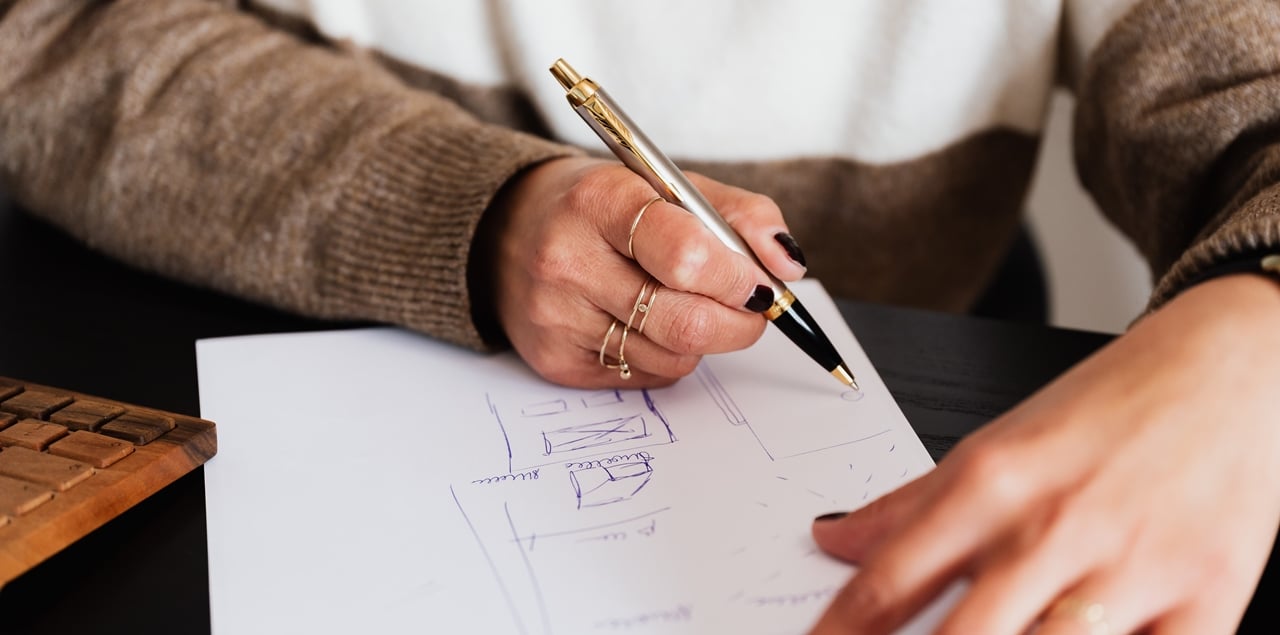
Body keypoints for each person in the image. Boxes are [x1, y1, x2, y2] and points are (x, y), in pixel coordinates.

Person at [2, 0, 1278, 632]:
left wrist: (1250, 333)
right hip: (197, 366)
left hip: (925, 342)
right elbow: (50, 39)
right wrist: (478, 207)